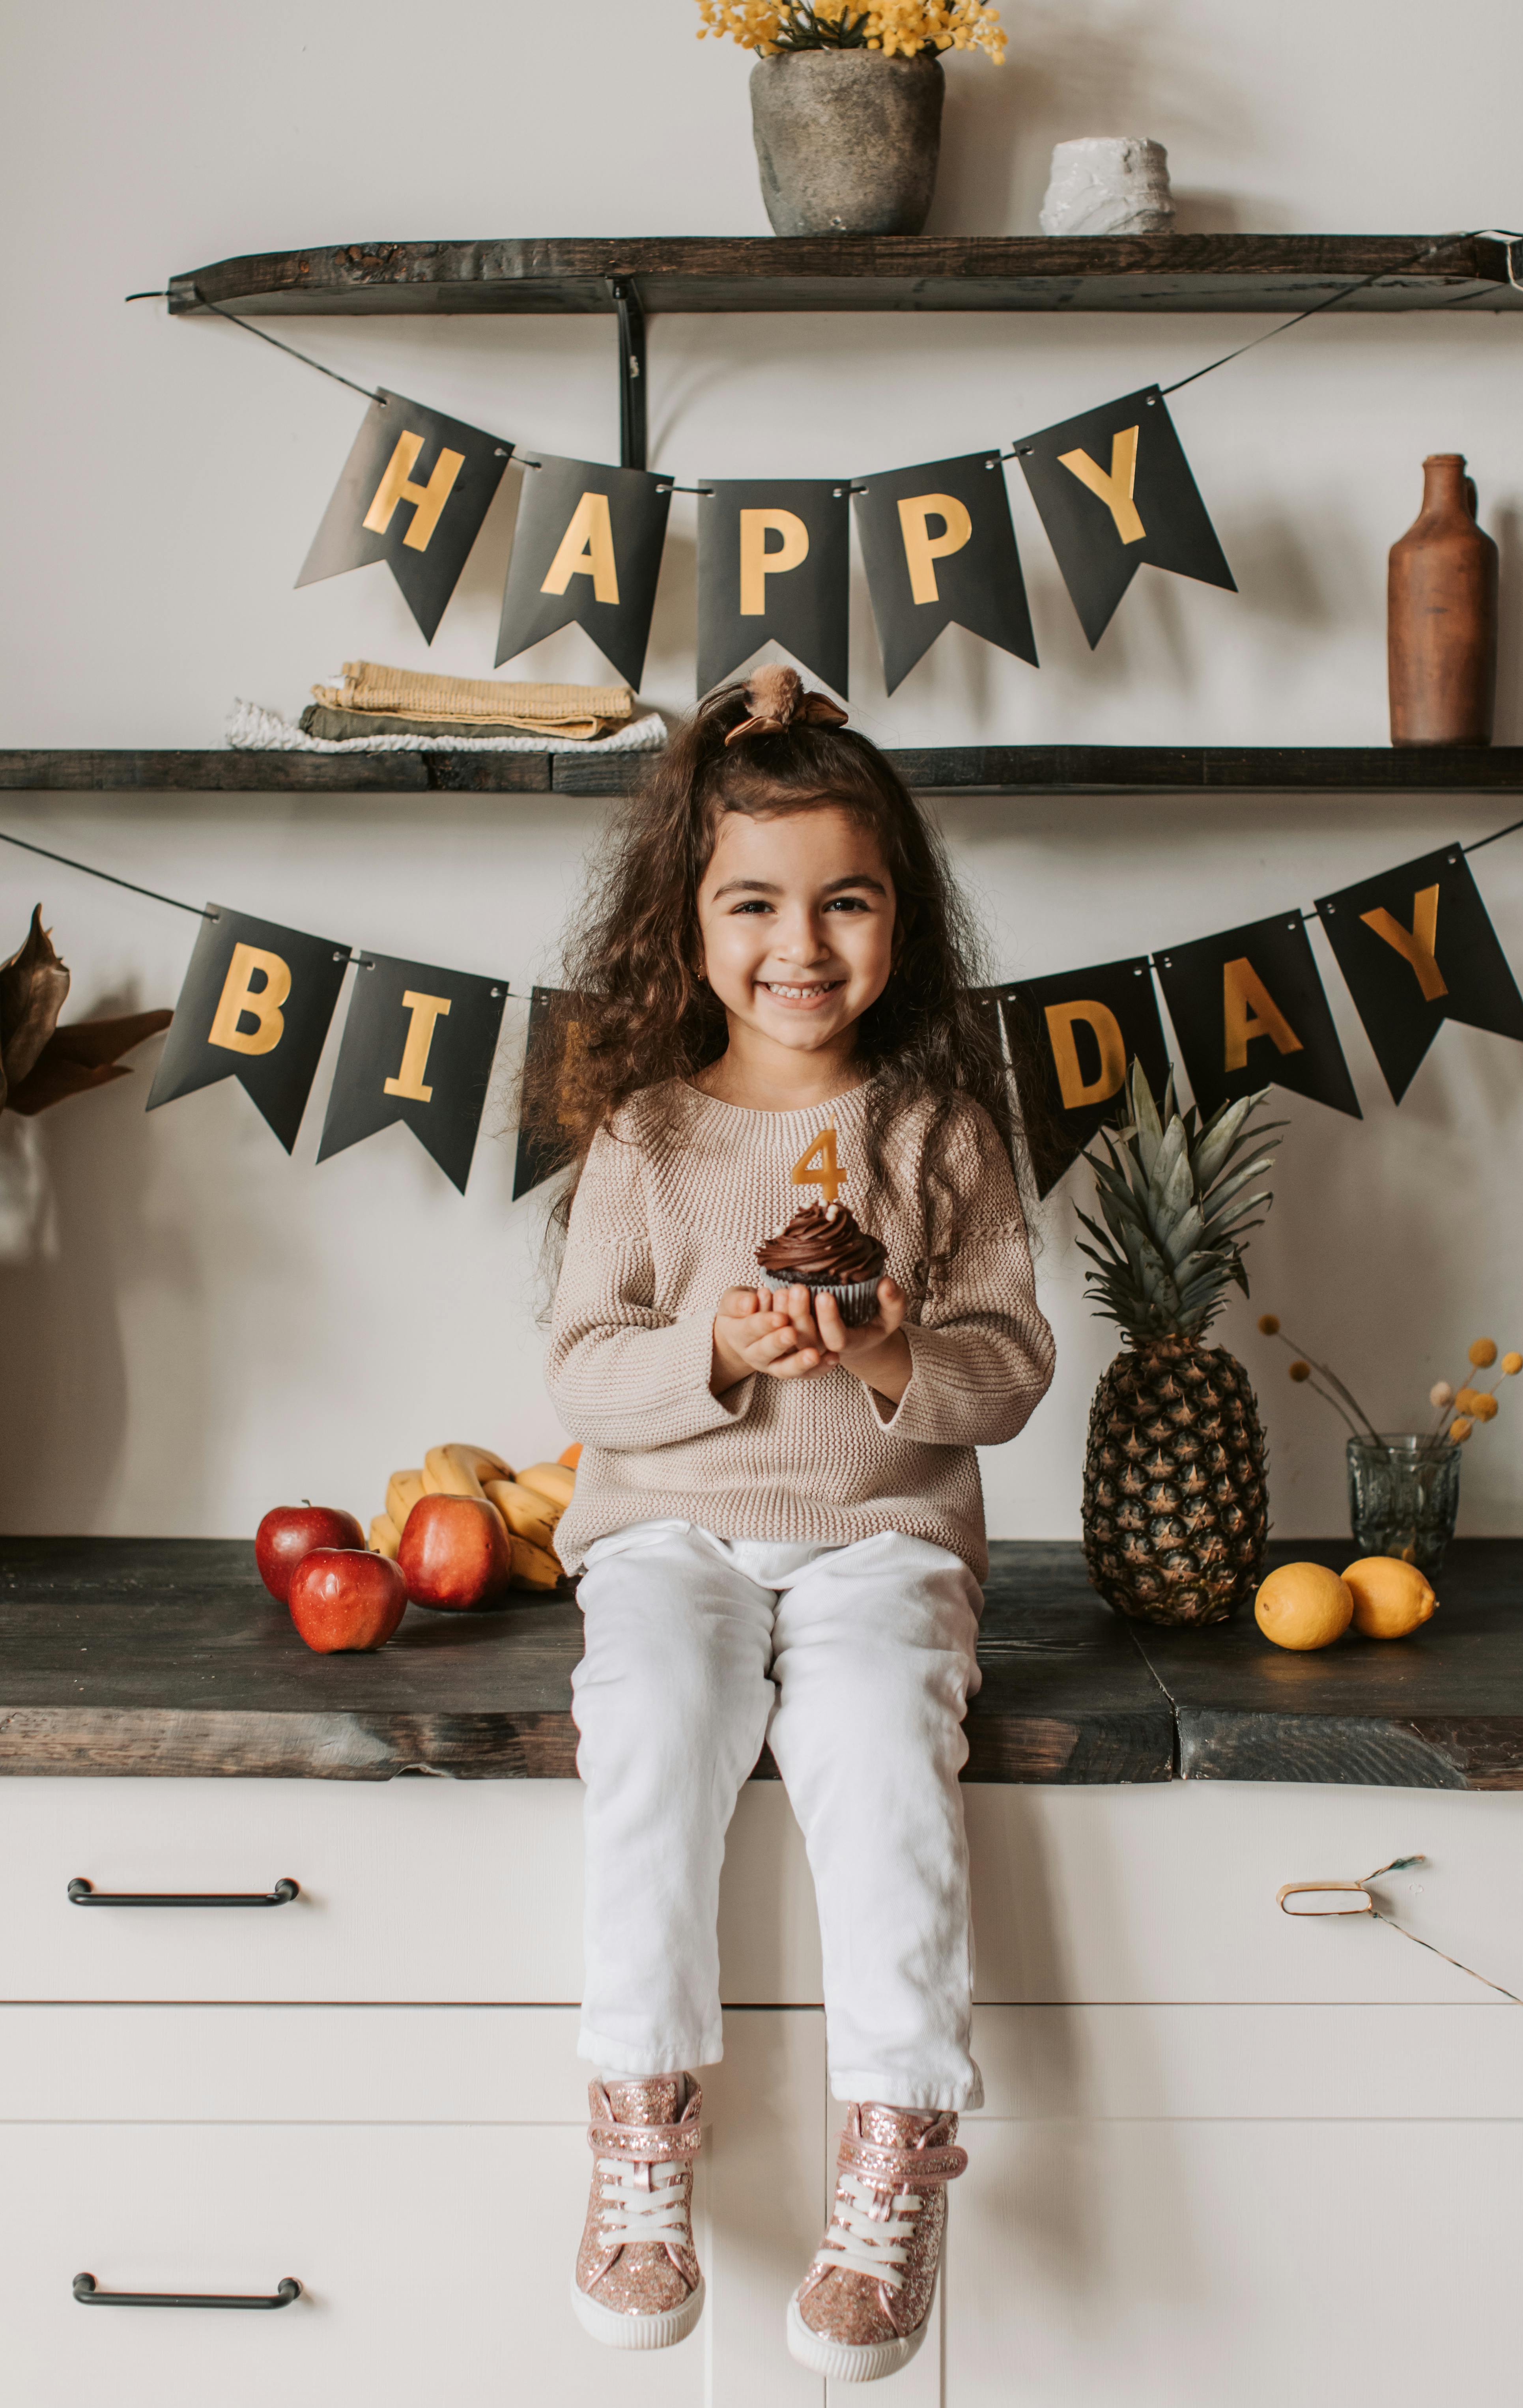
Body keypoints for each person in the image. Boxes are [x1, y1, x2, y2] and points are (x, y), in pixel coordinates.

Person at [534, 665, 1055, 2383]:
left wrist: (897, 1340)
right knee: (655, 1732)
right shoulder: (648, 1135)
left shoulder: (939, 1132)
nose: (802, 945)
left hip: (880, 1537)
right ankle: (637, 2136)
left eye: (847, 901)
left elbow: (1008, 1371)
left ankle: (897, 2152)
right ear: (686, 923)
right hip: (668, 1536)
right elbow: (586, 1379)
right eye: (754, 902)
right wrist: (709, 1349)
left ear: (900, 917)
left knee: (879, 1756)